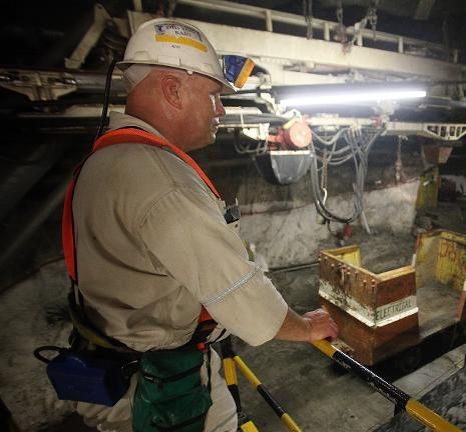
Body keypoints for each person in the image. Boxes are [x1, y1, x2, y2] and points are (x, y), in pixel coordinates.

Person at [67, 18, 338, 431]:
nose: (221, 110)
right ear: (173, 89)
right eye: (213, 95)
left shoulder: (105, 157)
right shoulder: (161, 178)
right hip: (160, 383)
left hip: (117, 363)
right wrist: (306, 328)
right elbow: (238, 292)